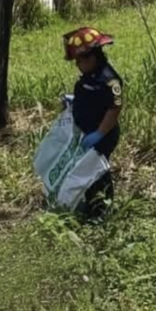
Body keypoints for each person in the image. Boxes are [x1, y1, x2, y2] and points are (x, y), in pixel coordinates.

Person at [62, 26, 122, 220]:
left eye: (79, 61)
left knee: (97, 173)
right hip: (88, 132)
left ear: (91, 58)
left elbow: (114, 110)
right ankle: (91, 205)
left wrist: (99, 133)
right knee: (87, 171)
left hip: (103, 135)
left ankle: (102, 211)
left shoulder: (109, 80)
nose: (77, 65)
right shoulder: (90, 77)